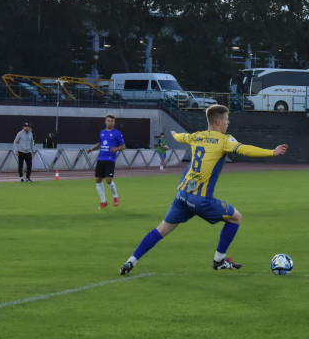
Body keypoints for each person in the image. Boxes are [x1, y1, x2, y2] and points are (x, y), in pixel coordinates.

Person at [120, 105, 288, 275]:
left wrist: (174, 135)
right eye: (227, 119)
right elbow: (244, 149)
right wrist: (271, 152)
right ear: (218, 121)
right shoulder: (224, 140)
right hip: (200, 200)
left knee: (161, 230)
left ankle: (130, 262)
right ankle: (219, 260)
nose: (228, 122)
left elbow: (181, 137)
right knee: (236, 218)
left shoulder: (196, 136)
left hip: (182, 195)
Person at [86, 113, 126, 209]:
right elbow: (99, 144)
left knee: (108, 180)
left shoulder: (117, 133)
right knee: (98, 180)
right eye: (108, 121)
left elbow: (123, 146)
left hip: (110, 159)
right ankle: (103, 201)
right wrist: (91, 149)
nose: (110, 122)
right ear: (105, 122)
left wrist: (115, 149)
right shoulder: (102, 132)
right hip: (101, 159)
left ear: (114, 122)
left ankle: (115, 196)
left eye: (112, 121)